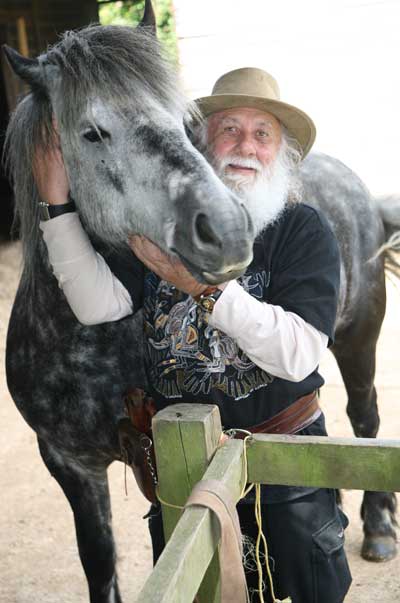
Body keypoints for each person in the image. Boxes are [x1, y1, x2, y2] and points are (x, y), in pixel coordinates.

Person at [35, 67, 351, 603]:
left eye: (262, 133)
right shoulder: (165, 226)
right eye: (228, 129)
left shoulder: (302, 229)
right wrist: (57, 208)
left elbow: (298, 355)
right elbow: (96, 306)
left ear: (282, 152)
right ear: (201, 142)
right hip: (185, 472)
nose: (244, 145)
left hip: (285, 471)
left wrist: (202, 288)